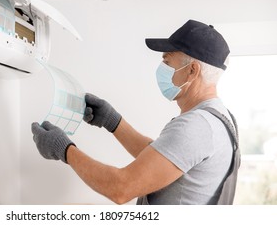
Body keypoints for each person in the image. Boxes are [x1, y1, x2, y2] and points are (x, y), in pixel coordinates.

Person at [31, 19, 240, 205]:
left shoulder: (197, 126)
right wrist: (113, 122)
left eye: (167, 61)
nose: (162, 67)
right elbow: (163, 160)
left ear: (192, 70)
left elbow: (120, 188)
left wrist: (64, 149)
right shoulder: (219, 119)